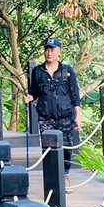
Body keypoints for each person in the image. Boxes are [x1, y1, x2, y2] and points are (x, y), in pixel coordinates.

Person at [23, 38, 82, 188]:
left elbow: (75, 95)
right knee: (48, 148)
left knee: (66, 148)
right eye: (47, 49)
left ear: (59, 53)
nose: (49, 53)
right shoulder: (37, 72)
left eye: (53, 50)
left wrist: (78, 117)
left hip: (65, 115)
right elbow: (34, 92)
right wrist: (29, 98)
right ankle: (51, 179)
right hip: (45, 116)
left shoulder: (68, 71)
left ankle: (66, 176)